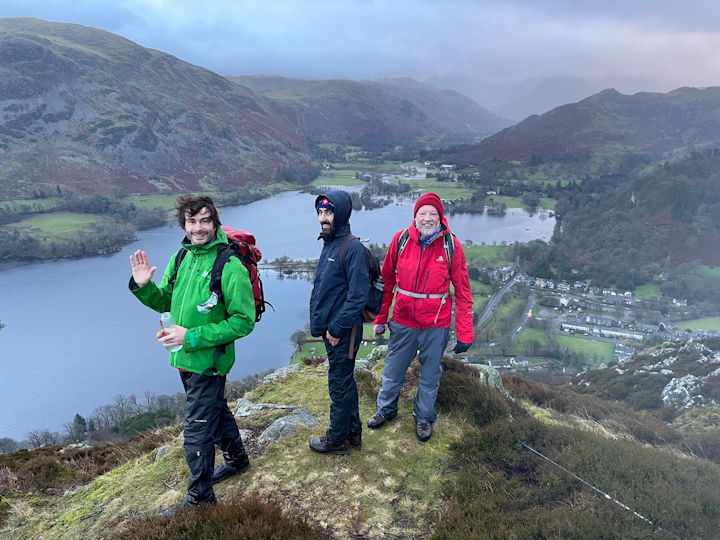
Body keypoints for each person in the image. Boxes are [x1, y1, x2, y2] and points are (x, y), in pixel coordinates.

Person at [128, 194, 256, 509]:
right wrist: (143, 285)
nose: (198, 228)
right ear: (184, 224)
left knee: (197, 433)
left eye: (204, 221)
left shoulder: (230, 265)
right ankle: (238, 460)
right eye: (191, 221)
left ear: (215, 223)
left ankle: (200, 499)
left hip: (209, 362)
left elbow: (243, 322)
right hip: (184, 358)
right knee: (217, 410)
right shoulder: (182, 258)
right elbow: (165, 301)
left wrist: (192, 337)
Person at [368, 192, 474, 442]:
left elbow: (463, 291)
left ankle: (424, 417)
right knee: (393, 369)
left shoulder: (451, 246)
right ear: (415, 216)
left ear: (440, 217)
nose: (427, 218)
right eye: (422, 213)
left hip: (436, 324)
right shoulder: (401, 240)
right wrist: (381, 318)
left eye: (432, 214)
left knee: (429, 374)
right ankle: (386, 410)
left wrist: (465, 332)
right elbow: (387, 282)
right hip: (404, 320)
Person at [308, 190, 370, 454]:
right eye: (321, 212)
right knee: (345, 380)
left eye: (329, 212)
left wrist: (335, 328)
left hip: (343, 330)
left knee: (338, 383)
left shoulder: (352, 248)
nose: (323, 218)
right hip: (334, 329)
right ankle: (353, 433)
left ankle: (336, 439)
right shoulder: (330, 243)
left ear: (341, 213)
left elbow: (358, 297)